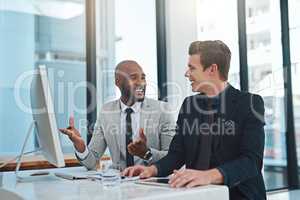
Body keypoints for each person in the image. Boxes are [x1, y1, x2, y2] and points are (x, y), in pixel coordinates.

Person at [122, 41, 266, 200]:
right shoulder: (189, 105)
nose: (186, 73)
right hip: (196, 195)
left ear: (212, 69)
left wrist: (208, 176)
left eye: (192, 68)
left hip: (239, 196)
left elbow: (252, 161)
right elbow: (177, 154)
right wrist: (152, 170)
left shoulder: (249, 103)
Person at [60, 60, 175, 170]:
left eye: (143, 78)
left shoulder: (163, 110)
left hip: (151, 183)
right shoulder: (106, 111)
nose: (141, 83)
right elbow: (92, 162)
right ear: (118, 82)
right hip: (119, 184)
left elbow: (173, 159)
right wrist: (80, 146)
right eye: (134, 77)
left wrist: (147, 153)